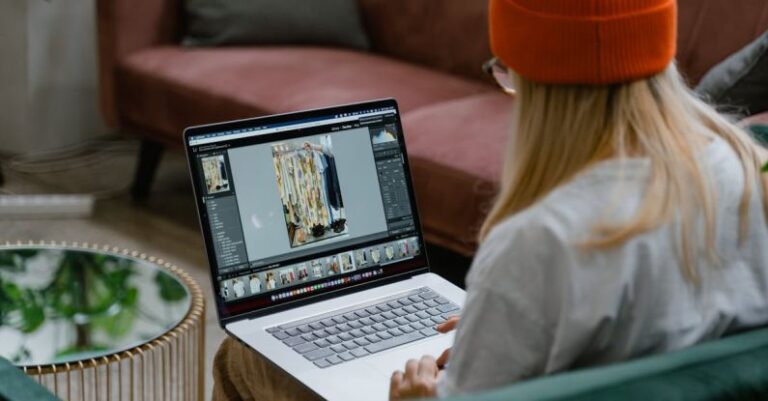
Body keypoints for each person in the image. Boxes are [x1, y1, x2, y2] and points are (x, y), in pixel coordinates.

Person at [213, 0, 768, 400]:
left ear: (540, 85)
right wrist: (503, 326)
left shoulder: (539, 242)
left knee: (239, 355)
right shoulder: (742, 170)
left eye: (507, 73)